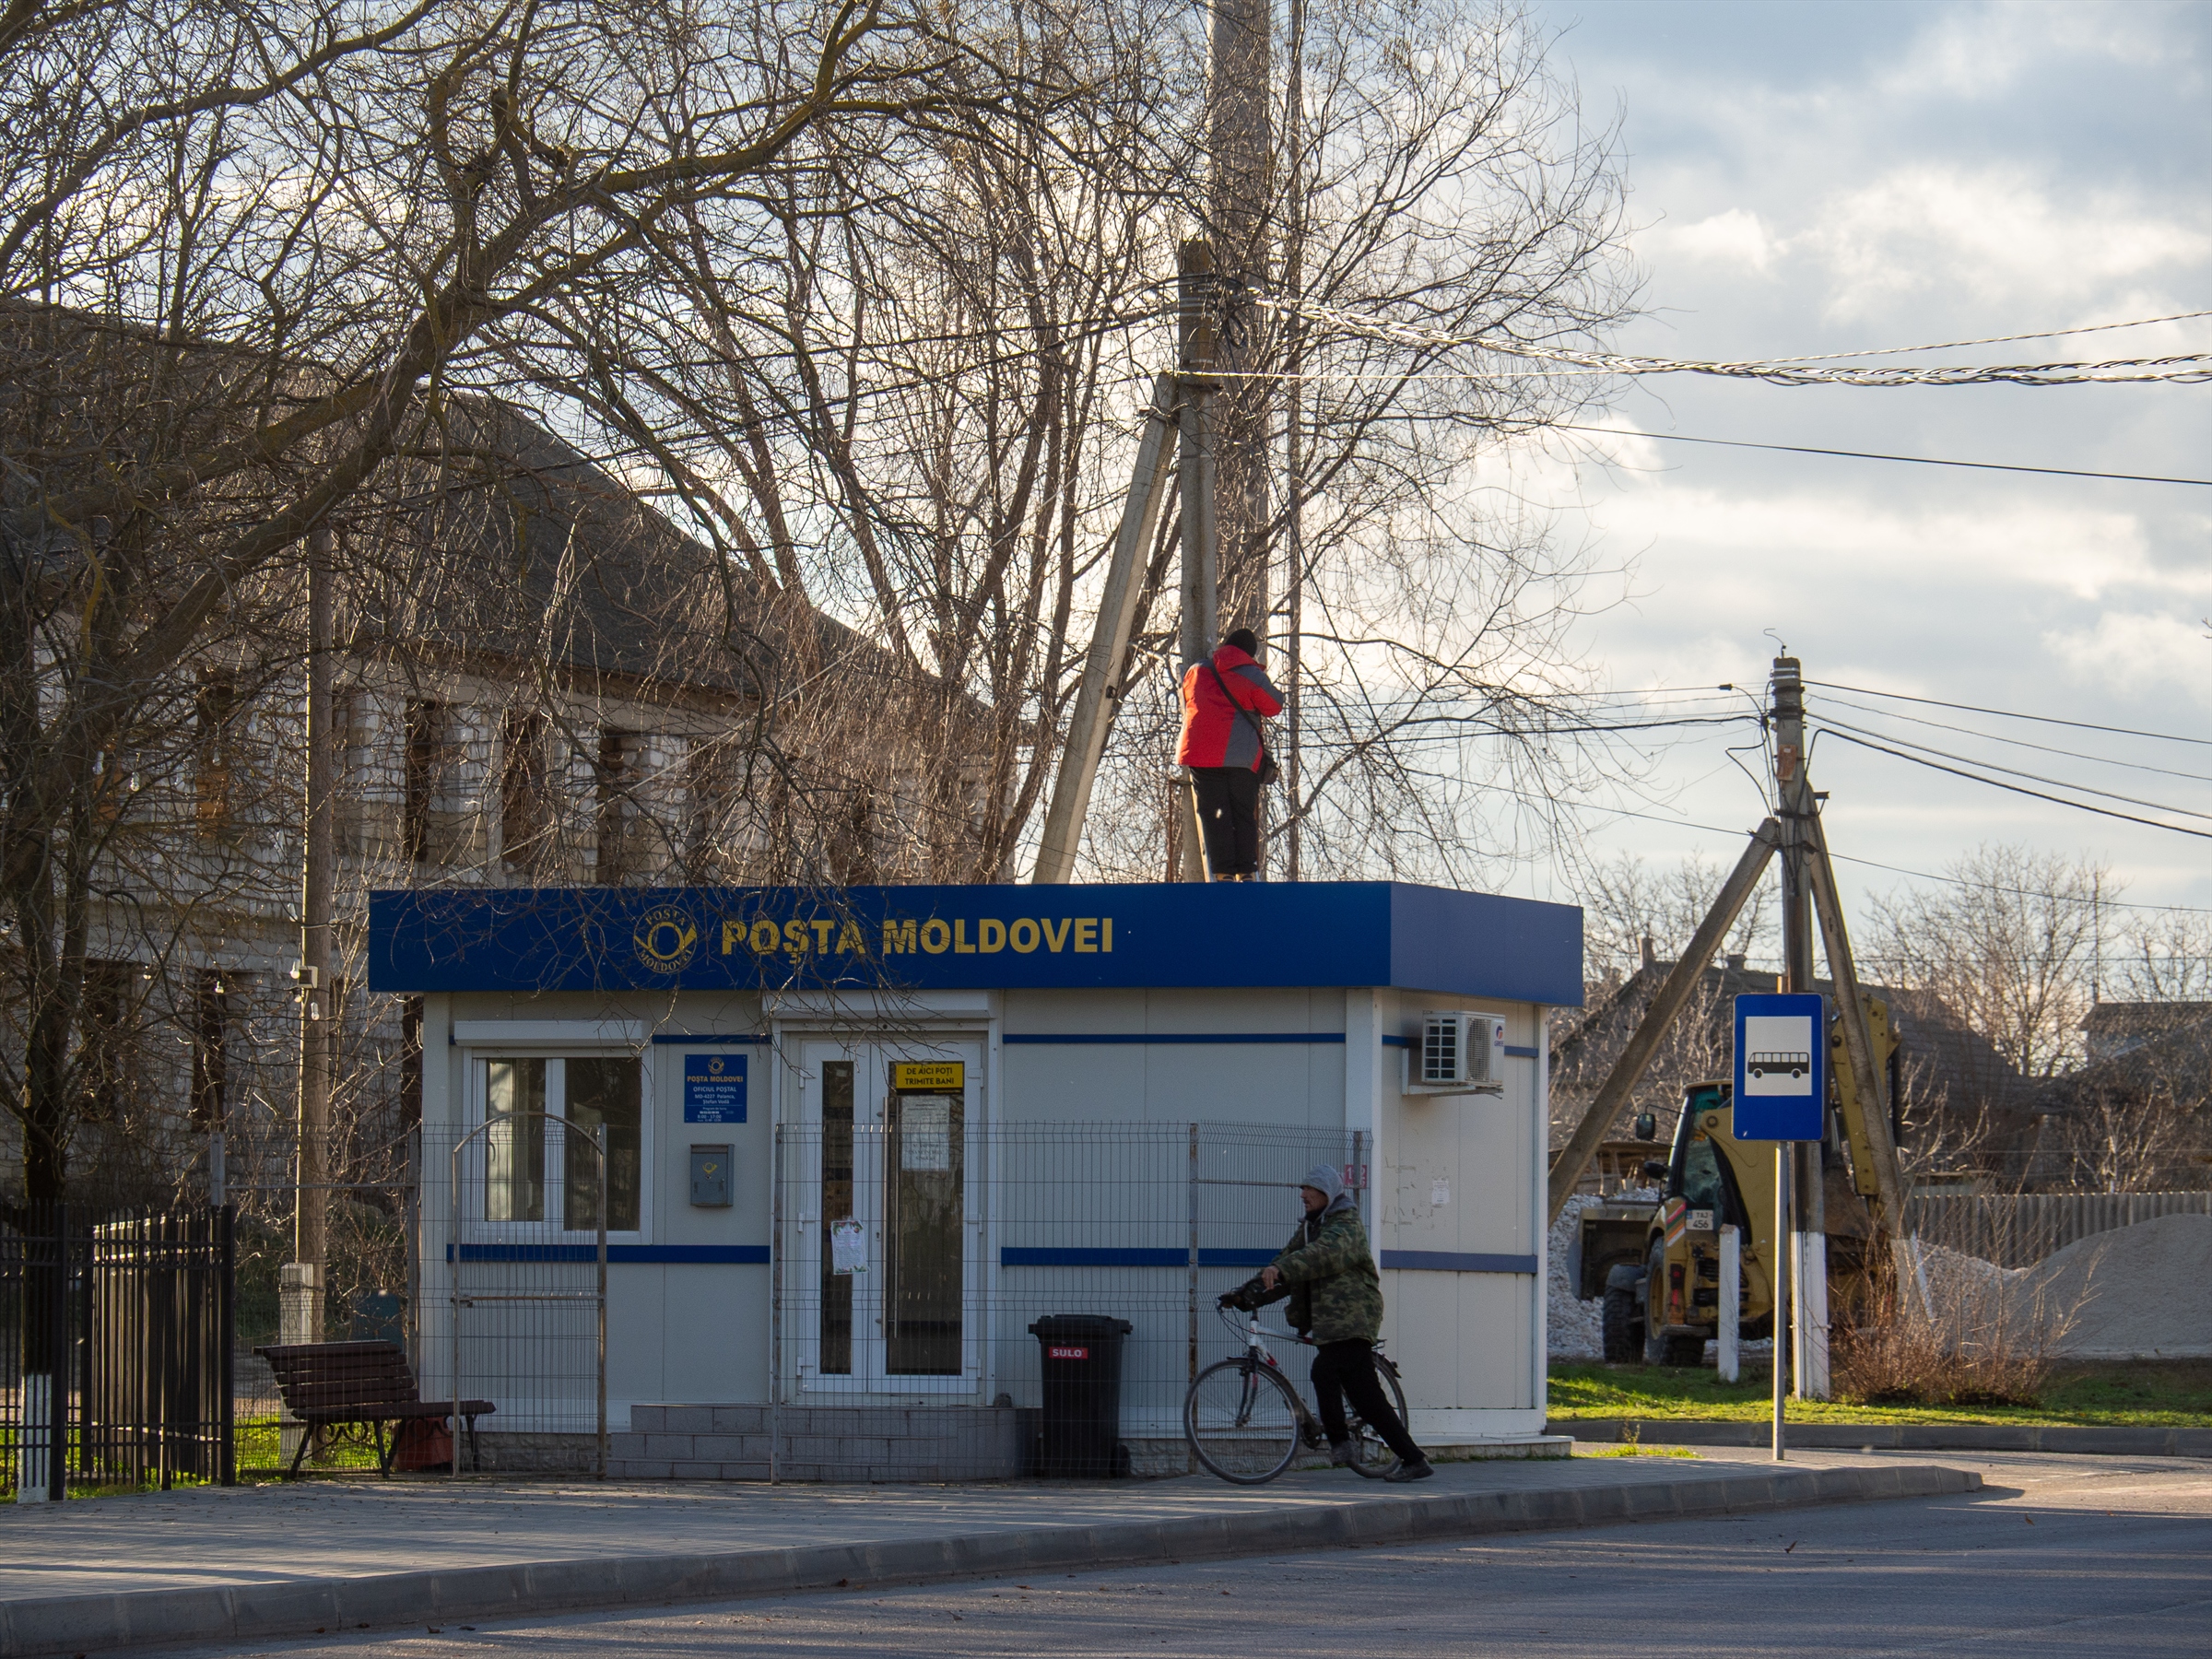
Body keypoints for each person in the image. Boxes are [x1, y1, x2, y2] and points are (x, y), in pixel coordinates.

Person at [1219, 1164, 1432, 1480]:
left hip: (1353, 1317)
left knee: (1324, 1371)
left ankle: (1340, 1442)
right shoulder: (1309, 1229)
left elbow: (1322, 1255)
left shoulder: (1346, 1225)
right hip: (1329, 1323)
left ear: (1327, 1193)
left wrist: (1283, 1270)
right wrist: (1243, 1296)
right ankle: (1414, 1460)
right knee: (1367, 1400)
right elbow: (1284, 1265)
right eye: (1302, 1189)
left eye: (1309, 1189)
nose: (1302, 1194)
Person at [1176, 627, 1282, 880]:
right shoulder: (1251, 675)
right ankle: (1246, 872)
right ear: (1249, 654)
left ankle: (1222, 873)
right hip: (1241, 758)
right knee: (1243, 813)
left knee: (1215, 814)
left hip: (1201, 753)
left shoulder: (1196, 671)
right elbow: (1274, 706)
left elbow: (1188, 697)